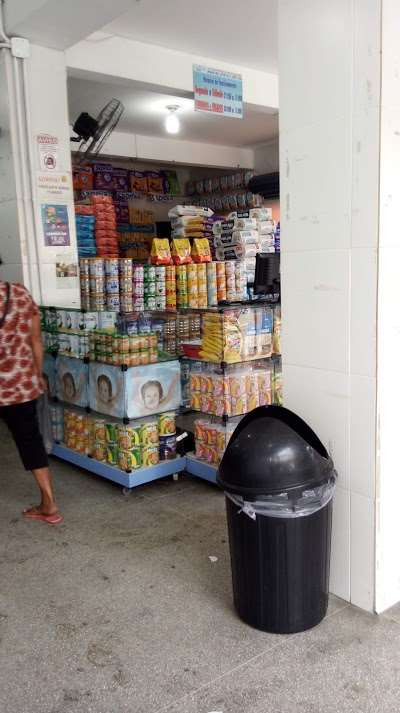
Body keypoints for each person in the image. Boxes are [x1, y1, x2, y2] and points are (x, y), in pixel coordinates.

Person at [0, 280, 63, 525]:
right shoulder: (18, 292)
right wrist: (37, 375)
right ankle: (49, 503)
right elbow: (36, 340)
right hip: (21, 385)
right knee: (30, 442)